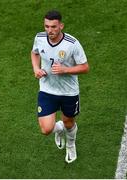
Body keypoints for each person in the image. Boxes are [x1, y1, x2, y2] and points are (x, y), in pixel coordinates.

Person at [31, 10, 89, 163]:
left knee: (69, 123)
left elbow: (85, 67)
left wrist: (65, 70)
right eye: (47, 26)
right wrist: (36, 69)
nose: (50, 30)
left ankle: (70, 144)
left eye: (53, 27)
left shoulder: (72, 44)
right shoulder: (40, 37)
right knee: (46, 129)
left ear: (61, 26)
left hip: (68, 92)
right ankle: (59, 130)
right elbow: (34, 53)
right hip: (47, 89)